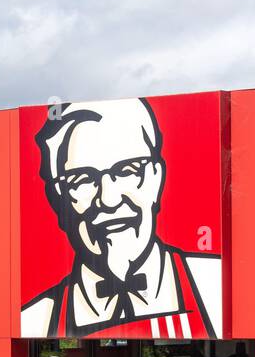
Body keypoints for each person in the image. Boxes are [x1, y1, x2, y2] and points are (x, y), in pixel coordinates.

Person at [20, 98, 222, 339]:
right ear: (57, 199)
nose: (108, 199)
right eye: (82, 179)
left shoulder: (213, 285)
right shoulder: (35, 319)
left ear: (156, 179)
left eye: (127, 171)